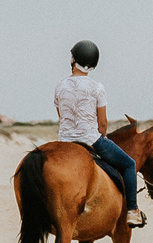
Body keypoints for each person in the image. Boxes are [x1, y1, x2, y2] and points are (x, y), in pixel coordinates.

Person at [56, 40, 146, 228]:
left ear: (73, 59)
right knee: (130, 164)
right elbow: (102, 123)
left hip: (64, 142)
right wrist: (102, 136)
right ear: (93, 65)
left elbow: (61, 116)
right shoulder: (97, 87)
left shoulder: (60, 86)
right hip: (91, 139)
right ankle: (132, 211)